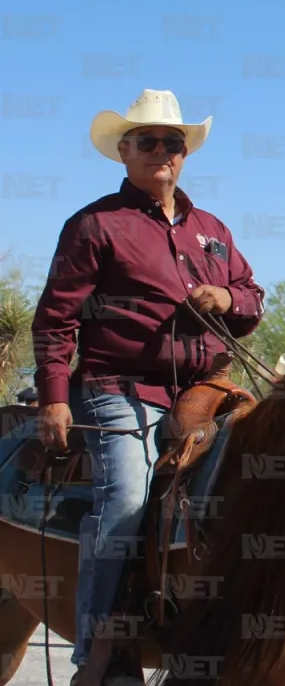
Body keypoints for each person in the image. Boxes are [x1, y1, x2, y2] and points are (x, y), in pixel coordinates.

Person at [30, 89, 265, 686]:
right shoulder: (94, 225)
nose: (162, 151)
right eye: (149, 141)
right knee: (128, 497)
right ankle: (99, 650)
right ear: (124, 152)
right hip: (118, 385)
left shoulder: (212, 230)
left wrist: (227, 298)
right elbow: (56, 318)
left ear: (184, 155)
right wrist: (56, 396)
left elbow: (253, 299)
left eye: (173, 142)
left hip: (207, 388)